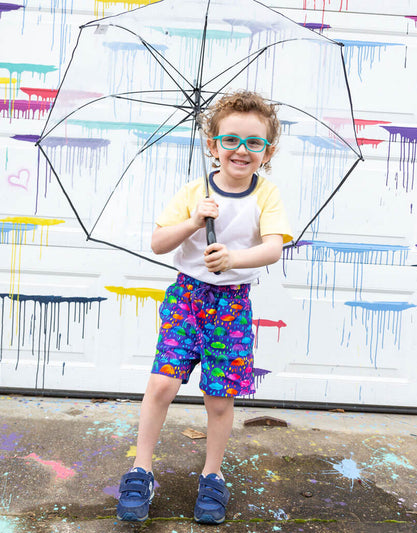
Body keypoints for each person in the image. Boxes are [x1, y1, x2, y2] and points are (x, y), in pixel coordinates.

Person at [116, 90, 293, 524]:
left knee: (219, 398)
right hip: (187, 299)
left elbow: (272, 249)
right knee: (162, 385)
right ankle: (141, 469)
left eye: (254, 143)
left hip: (231, 306)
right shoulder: (194, 192)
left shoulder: (266, 195)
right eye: (230, 140)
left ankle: (212, 476)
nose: (241, 150)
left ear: (267, 152)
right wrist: (194, 221)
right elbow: (159, 243)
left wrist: (233, 258)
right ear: (212, 144)